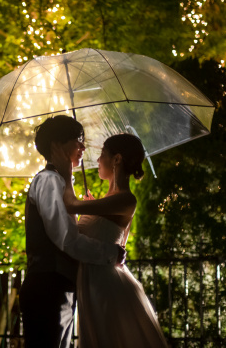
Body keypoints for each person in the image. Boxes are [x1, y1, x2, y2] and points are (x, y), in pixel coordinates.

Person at [19, 115, 126, 348]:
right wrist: (110, 252)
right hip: (48, 288)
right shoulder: (49, 181)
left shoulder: (60, 182)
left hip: (58, 288)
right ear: (57, 144)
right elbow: (67, 239)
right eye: (78, 139)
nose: (83, 147)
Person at [54, 133, 168, 348]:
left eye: (102, 154)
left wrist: (67, 169)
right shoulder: (105, 201)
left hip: (105, 283)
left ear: (117, 159)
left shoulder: (126, 199)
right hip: (92, 279)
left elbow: (70, 205)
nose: (97, 160)